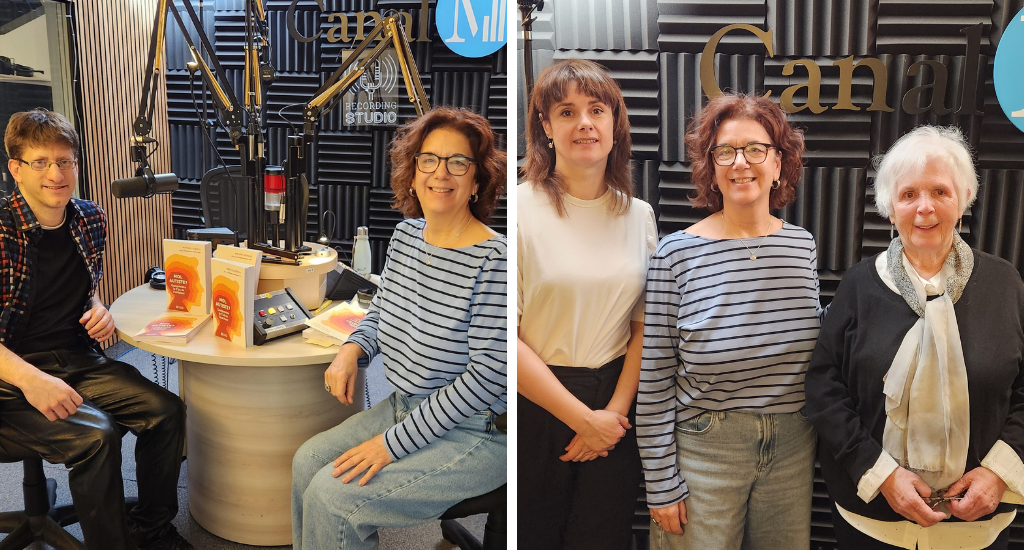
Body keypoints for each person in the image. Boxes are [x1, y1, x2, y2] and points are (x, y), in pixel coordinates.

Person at [290, 107, 507, 550]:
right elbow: (384, 310)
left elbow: (485, 380)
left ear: (477, 181)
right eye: (429, 159)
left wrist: (390, 445)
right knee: (306, 461)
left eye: (458, 163)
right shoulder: (407, 236)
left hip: (477, 431)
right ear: (413, 173)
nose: (441, 173)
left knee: (336, 502)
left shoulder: (495, 260)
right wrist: (354, 348)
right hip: (405, 406)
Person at [805, 125, 1024, 550]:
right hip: (871, 523)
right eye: (908, 195)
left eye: (940, 192)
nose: (925, 208)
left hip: (976, 529)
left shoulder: (1005, 285)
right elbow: (824, 389)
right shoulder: (858, 286)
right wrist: (881, 474)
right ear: (890, 209)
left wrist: (999, 471)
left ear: (963, 201)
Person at [638, 93, 822, 550]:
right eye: (726, 151)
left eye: (756, 149)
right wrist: (660, 482)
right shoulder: (675, 254)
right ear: (712, 168)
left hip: (793, 446)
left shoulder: (802, 247)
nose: (741, 162)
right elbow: (656, 375)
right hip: (706, 448)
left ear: (779, 163)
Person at [0, 108, 190, 550]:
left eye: (65, 161)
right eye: (41, 162)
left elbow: (82, 289)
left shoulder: (89, 219)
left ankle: (152, 528)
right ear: (16, 169)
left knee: (166, 412)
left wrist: (98, 307)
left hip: (74, 358)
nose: (56, 174)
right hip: (10, 376)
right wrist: (32, 380)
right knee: (96, 437)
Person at [517, 58, 658, 550]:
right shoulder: (519, 211)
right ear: (545, 126)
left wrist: (612, 417)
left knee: (603, 537)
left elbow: (645, 325)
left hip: (616, 405)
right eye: (566, 111)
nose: (584, 123)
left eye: (597, 110)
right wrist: (582, 420)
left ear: (614, 126)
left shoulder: (638, 214)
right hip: (540, 404)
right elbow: (503, 339)